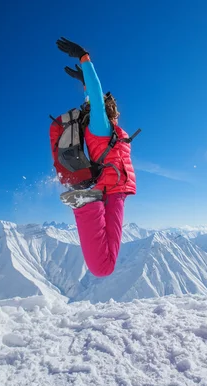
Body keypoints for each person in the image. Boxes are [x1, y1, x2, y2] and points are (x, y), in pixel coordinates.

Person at [56, 37, 136, 277]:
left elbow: (94, 98)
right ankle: (86, 205)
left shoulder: (111, 131)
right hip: (110, 193)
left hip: (111, 192)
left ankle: (88, 204)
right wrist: (84, 58)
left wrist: (84, 85)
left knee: (105, 265)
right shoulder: (99, 126)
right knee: (103, 267)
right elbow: (97, 95)